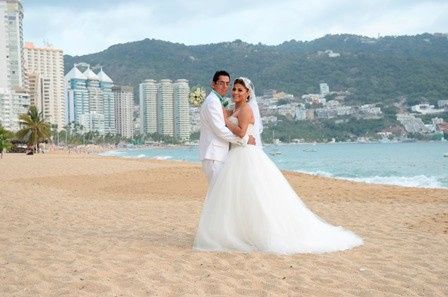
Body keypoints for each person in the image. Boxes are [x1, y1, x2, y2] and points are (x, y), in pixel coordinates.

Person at [193, 77, 363, 254]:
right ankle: (241, 232)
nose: (235, 92)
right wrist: (221, 114)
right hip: (235, 154)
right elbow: (218, 118)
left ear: (248, 93)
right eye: (234, 89)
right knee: (240, 197)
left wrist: (226, 121)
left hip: (245, 154)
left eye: (239, 90)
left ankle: (257, 233)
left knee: (254, 195)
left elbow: (242, 132)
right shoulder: (235, 108)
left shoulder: (245, 109)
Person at [199, 70, 255, 186]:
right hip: (215, 154)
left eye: (227, 83)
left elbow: (228, 124)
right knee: (218, 193)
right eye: (221, 83)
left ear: (248, 93)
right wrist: (245, 139)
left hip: (227, 154)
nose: (225, 87)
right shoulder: (213, 102)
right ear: (213, 84)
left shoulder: (217, 102)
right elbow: (220, 130)